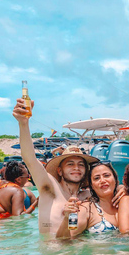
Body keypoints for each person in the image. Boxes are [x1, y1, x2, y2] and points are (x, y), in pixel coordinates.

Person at [13, 98, 103, 234]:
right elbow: (30, 159)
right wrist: (23, 124)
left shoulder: (88, 195)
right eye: (70, 164)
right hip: (54, 253)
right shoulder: (50, 188)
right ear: (60, 171)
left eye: (81, 164)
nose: (76, 168)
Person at [56, 162, 120, 237]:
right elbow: (62, 240)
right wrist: (67, 218)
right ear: (92, 185)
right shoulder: (86, 209)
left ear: (115, 179)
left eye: (106, 176)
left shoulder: (127, 201)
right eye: (96, 178)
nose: (102, 180)